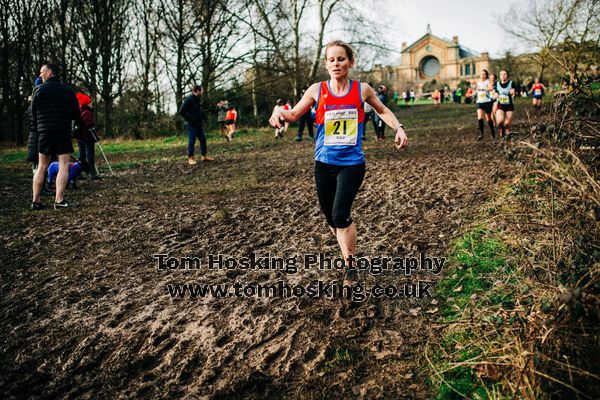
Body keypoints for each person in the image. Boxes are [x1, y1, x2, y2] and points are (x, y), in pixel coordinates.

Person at [268, 40, 408, 285]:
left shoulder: (362, 89)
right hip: (324, 163)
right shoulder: (316, 90)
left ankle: (351, 267)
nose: (336, 64)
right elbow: (293, 115)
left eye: (341, 59)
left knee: (341, 215)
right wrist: (278, 111)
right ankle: (347, 256)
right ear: (326, 63)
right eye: (331, 60)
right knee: (331, 219)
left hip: (352, 164)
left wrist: (399, 128)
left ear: (350, 62)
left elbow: (382, 110)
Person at [30, 64, 81, 210]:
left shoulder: (38, 91)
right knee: (64, 165)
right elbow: (76, 114)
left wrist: (38, 127)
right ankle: (59, 200)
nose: (40, 76)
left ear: (50, 72)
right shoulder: (67, 90)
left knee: (41, 166)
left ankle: (36, 201)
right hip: (62, 131)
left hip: (44, 132)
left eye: (42, 73)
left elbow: (32, 114)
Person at [179, 84, 213, 165]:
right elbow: (181, 111)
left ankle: (204, 156)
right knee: (192, 141)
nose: (202, 92)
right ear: (197, 91)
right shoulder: (189, 99)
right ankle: (190, 158)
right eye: (201, 90)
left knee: (203, 139)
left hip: (198, 124)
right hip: (192, 124)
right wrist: (190, 119)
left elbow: (199, 111)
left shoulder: (197, 99)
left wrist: (204, 119)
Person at [74, 92, 101, 180]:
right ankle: (92, 173)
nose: (92, 104)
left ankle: (78, 172)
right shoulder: (87, 112)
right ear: (86, 103)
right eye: (90, 102)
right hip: (87, 137)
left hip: (80, 137)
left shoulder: (79, 110)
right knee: (90, 155)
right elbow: (89, 125)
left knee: (81, 155)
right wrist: (93, 130)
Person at [494, 69, 516, 140]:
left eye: (504, 74)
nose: (503, 76)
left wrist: (514, 92)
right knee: (499, 121)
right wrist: (495, 95)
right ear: (500, 76)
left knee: (507, 124)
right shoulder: (497, 84)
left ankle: (507, 135)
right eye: (501, 74)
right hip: (500, 105)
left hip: (509, 105)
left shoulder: (512, 83)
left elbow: (515, 92)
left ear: (507, 75)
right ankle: (501, 129)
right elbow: (496, 92)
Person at [474, 69, 495, 140]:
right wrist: (472, 94)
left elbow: (491, 88)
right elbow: (476, 90)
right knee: (480, 117)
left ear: (486, 75)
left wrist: (485, 89)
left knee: (488, 118)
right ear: (480, 75)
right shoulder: (478, 82)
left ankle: (492, 132)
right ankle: (481, 134)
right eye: (482, 74)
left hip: (487, 101)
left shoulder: (487, 81)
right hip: (479, 102)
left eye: (484, 74)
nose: (483, 75)